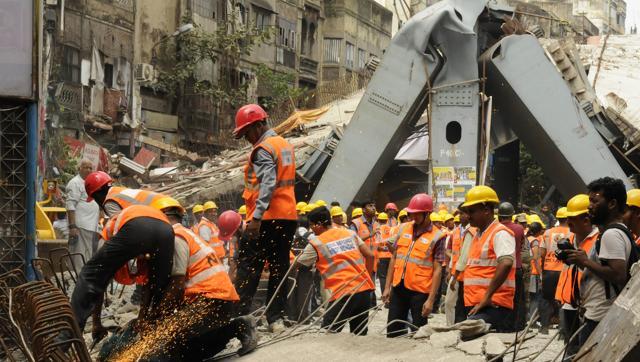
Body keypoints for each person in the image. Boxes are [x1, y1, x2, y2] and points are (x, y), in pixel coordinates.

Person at [142, 198, 257, 360]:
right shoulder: (187, 233)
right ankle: (236, 327)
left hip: (209, 302)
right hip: (221, 301)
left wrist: (157, 316)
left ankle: (236, 327)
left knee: (167, 348)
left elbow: (177, 284)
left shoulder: (176, 237)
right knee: (190, 352)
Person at [233, 104, 298, 333]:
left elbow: (268, 183)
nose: (247, 140)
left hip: (266, 218)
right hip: (287, 216)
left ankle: (237, 319)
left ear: (258, 125)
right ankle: (275, 319)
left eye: (247, 133)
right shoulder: (284, 145)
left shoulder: (263, 149)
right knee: (279, 267)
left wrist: (257, 218)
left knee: (249, 267)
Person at [70, 202, 175, 334]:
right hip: (165, 229)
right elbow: (150, 285)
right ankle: (155, 330)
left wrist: (96, 323)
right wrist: (142, 317)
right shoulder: (114, 240)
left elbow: (97, 285)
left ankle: (70, 335)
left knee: (90, 276)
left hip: (137, 225)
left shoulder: (110, 240)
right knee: (159, 285)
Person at [565, 177, 637, 348]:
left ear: (612, 204)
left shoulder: (612, 234)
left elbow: (618, 275)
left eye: (595, 201)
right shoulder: (615, 232)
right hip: (597, 313)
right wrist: (585, 261)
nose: (589, 206)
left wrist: (586, 262)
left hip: (601, 316)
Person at [296, 206, 375, 334]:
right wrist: (369, 277)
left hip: (344, 293)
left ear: (319, 224)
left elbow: (297, 264)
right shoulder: (349, 233)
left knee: (328, 332)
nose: (311, 229)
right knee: (359, 335)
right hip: (364, 289)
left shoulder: (317, 243)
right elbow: (370, 256)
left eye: (312, 225)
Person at [382, 193, 446, 337]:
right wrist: (387, 287)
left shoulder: (438, 237)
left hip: (420, 291)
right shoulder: (403, 228)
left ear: (427, 213)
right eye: (411, 214)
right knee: (393, 331)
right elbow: (394, 258)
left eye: (417, 214)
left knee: (419, 333)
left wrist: (430, 300)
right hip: (399, 287)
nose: (413, 217)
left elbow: (437, 271)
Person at [461, 186, 516, 332]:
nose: (468, 216)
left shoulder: (500, 233)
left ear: (486, 210)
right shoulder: (479, 234)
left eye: (472, 211)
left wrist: (487, 296)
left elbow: (506, 262)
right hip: (481, 303)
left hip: (494, 306)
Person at [555, 194, 598, 359]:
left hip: (587, 307)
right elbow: (566, 271)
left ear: (586, 220)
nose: (568, 223)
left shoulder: (598, 240)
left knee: (584, 349)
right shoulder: (570, 238)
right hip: (568, 304)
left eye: (572, 219)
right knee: (570, 347)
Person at [539, 207, 573, 334]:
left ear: (558, 218)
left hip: (549, 269)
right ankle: (562, 330)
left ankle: (544, 327)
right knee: (563, 299)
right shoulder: (572, 232)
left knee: (546, 298)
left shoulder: (547, 232)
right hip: (564, 271)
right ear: (568, 218)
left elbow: (542, 253)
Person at [65, 160, 101, 271]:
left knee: (87, 254)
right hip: (81, 225)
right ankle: (78, 277)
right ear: (79, 168)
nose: (89, 170)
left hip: (91, 225)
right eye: (86, 167)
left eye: (91, 168)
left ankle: (82, 277)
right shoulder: (75, 182)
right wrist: (73, 226)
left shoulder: (90, 183)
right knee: (80, 254)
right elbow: (70, 205)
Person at [497, 202, 526, 331]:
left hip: (500, 269)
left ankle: (502, 324)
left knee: (501, 297)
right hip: (517, 267)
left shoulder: (496, 228)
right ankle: (517, 325)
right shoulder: (519, 229)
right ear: (512, 214)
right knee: (517, 298)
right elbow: (521, 247)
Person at [445, 206, 475, 325]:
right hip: (455, 273)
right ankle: (450, 326)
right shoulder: (456, 231)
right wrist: (449, 270)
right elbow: (451, 251)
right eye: (459, 214)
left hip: (467, 275)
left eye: (463, 213)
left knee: (463, 305)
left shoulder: (474, 231)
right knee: (449, 302)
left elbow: (465, 256)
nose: (460, 216)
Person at [350, 200, 380, 303]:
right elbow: (352, 241)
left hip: (373, 261)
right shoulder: (356, 223)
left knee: (371, 284)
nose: (373, 208)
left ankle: (369, 304)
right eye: (370, 206)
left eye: (374, 206)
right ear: (363, 209)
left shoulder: (376, 224)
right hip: (360, 262)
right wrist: (370, 234)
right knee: (360, 287)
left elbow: (377, 242)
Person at [526, 222, 544, 319]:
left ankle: (527, 319)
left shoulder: (526, 239)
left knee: (528, 298)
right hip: (534, 272)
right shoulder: (535, 241)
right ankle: (532, 320)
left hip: (527, 272)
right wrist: (541, 274)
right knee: (535, 298)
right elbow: (536, 259)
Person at [376, 212, 393, 296]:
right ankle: (391, 296)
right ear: (386, 220)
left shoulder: (377, 230)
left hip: (381, 256)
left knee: (383, 277)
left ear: (378, 220)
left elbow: (376, 245)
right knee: (391, 277)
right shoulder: (391, 229)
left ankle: (385, 297)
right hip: (391, 256)